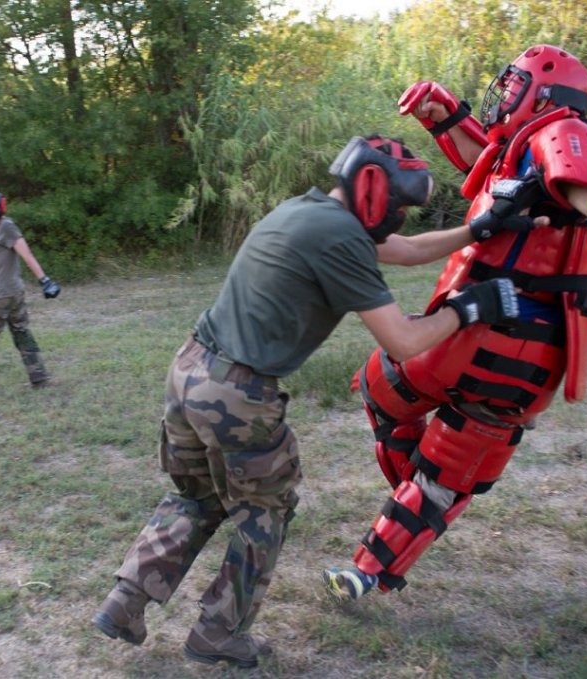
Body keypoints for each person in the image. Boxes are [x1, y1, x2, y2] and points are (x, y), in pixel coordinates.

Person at [91, 135, 541, 669]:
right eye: (398, 203)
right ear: (373, 187)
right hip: (238, 392)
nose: (399, 216)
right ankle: (218, 632)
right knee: (265, 510)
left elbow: (405, 249)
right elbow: (402, 340)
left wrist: (478, 230)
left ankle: (126, 603)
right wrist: (470, 309)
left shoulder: (307, 212)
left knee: (197, 499)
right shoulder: (342, 239)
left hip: (189, 371)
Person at [323, 45, 587, 601]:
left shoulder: (566, 135)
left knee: (424, 436)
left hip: (510, 334)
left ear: (544, 92)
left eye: (516, 84)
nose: (506, 94)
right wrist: (446, 118)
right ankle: (404, 526)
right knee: (400, 415)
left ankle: (385, 548)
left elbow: (586, 189)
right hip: (476, 332)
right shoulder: (529, 143)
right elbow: (492, 166)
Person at [0, 187, 62, 396]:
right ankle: (40, 379)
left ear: (0, 206)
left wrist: (44, 280)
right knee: (22, 334)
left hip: (1, 296)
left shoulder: (7, 227)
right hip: (13, 293)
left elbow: (27, 254)